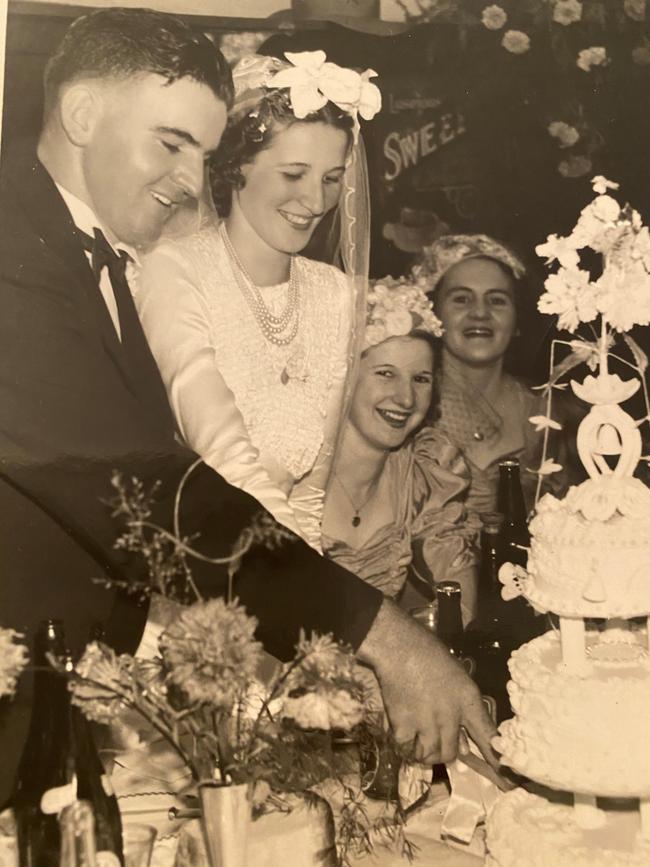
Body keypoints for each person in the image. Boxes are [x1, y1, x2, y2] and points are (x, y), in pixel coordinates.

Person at [0, 7, 495, 805]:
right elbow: (149, 491)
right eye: (170, 144)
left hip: (101, 681)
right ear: (82, 114)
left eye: (202, 152)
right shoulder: (13, 253)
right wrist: (383, 637)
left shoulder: (86, 247)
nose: (192, 180)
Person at [136, 51, 375, 548]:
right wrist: (302, 580)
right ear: (237, 167)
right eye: (294, 174)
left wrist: (314, 588)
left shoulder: (335, 293)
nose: (316, 202)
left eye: (332, 179)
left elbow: (312, 490)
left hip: (291, 557)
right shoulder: (175, 269)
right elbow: (224, 451)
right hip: (194, 557)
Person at [322, 278, 480, 622]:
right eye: (385, 374)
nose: (406, 399)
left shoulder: (424, 469)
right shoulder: (293, 468)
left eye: (420, 379)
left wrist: (442, 629)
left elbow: (456, 576)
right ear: (344, 377)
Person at [418, 234, 570, 517]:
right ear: (434, 315)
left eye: (497, 301)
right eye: (461, 299)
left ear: (517, 320)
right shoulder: (410, 402)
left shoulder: (543, 414)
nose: (479, 313)